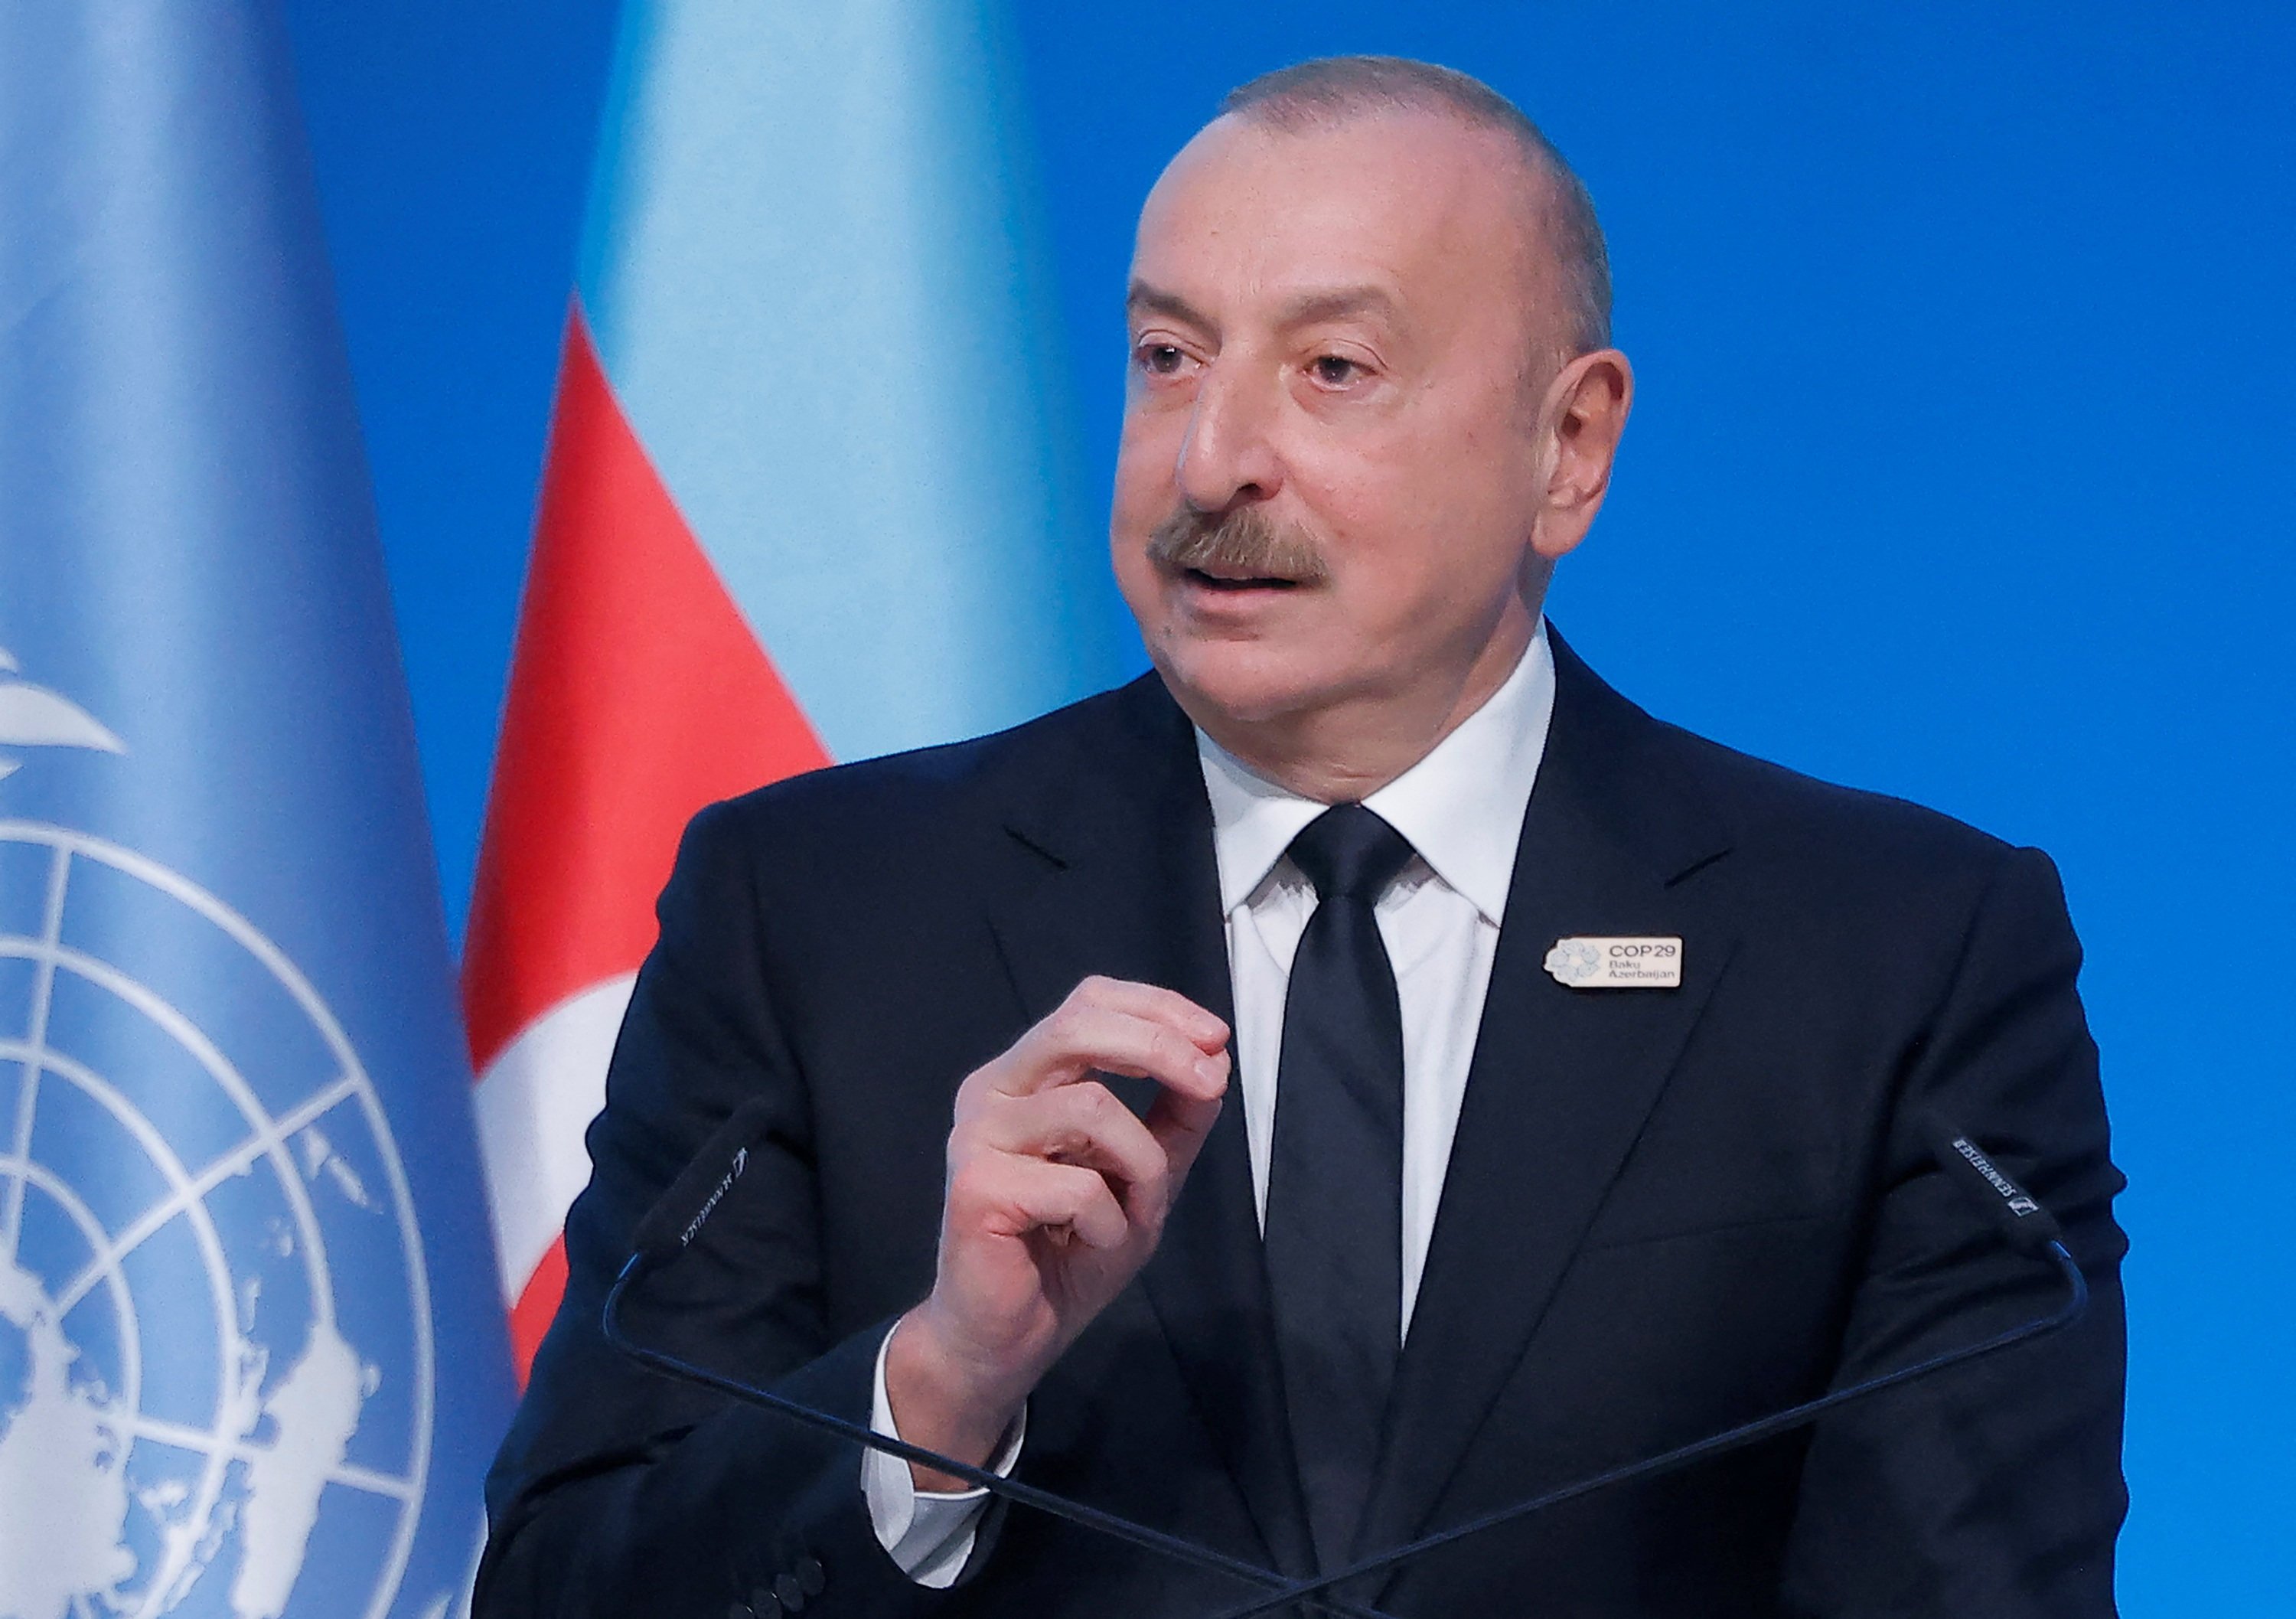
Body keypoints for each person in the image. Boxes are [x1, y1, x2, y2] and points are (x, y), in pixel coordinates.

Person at [478, 56, 2126, 1618]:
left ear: (1570, 448)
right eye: (1167, 357)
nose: (1209, 460)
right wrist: (936, 1388)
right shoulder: (818, 909)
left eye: (1331, 369)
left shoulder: (1893, 953)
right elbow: (561, 1585)